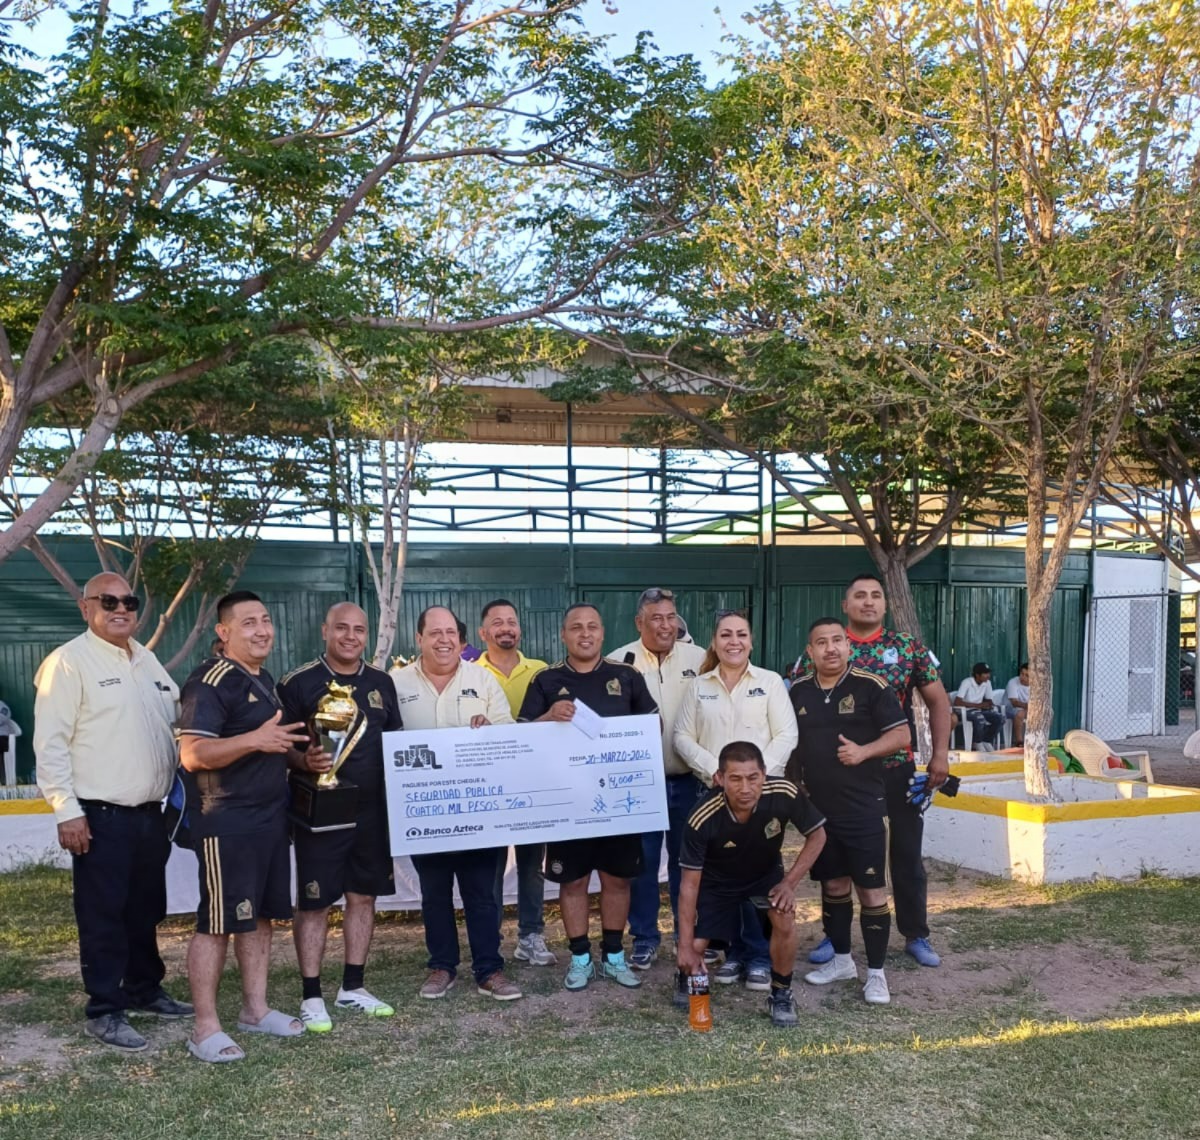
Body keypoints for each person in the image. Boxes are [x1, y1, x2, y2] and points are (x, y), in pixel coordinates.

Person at [33, 572, 191, 1053]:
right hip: (100, 816)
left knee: (146, 909)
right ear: (86, 607)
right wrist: (66, 811)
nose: (120, 608)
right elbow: (50, 745)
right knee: (103, 915)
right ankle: (105, 1008)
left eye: (129, 601)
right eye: (108, 601)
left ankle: (144, 989)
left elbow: (178, 720)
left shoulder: (147, 660)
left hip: (150, 815)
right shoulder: (68, 663)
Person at [177, 591, 315, 1062]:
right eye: (249, 622)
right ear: (224, 632)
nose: (262, 630)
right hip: (227, 820)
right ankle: (205, 1028)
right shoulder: (209, 681)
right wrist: (254, 739)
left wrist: (303, 759)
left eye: (266, 620)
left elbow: (272, 743)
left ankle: (255, 1010)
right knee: (217, 922)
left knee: (259, 917)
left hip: (271, 818)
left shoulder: (263, 678)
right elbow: (192, 753)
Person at [798, 574, 953, 969]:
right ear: (845, 605)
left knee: (906, 853)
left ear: (885, 604)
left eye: (876, 596)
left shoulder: (907, 647)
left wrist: (939, 755)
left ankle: (915, 933)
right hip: (840, 777)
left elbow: (939, 702)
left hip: (895, 770)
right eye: (860, 596)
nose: (868, 602)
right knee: (836, 857)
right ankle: (835, 939)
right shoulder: (825, 645)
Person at [276, 602, 404, 1032]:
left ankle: (353, 986)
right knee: (315, 901)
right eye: (342, 628)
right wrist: (303, 760)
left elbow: (395, 742)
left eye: (359, 630)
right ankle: (311, 994)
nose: (351, 637)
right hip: (321, 811)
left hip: (372, 810)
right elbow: (280, 745)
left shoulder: (382, 682)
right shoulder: (297, 683)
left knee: (363, 896)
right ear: (325, 630)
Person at [518, 603, 658, 991]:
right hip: (568, 802)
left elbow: (653, 726)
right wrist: (548, 717)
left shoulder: (626, 676)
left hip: (618, 802)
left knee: (617, 880)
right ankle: (580, 958)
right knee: (574, 882)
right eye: (576, 627)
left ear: (602, 633)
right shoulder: (546, 680)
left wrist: (630, 737)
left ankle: (613, 956)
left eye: (592, 626)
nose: (585, 633)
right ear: (563, 635)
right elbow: (521, 738)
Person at [390, 606, 522, 1001]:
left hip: (478, 808)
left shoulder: (482, 679)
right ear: (419, 639)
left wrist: (489, 730)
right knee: (434, 893)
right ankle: (442, 966)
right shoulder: (395, 683)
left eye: (450, 632)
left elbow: (509, 733)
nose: (443, 640)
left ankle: (489, 970)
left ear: (461, 640)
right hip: (424, 810)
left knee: (482, 893)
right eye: (435, 633)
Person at [787, 618, 911, 1005]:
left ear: (848, 646)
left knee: (871, 890)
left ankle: (876, 974)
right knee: (834, 886)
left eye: (837, 640)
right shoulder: (799, 691)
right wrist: (795, 783)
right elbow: (792, 744)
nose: (831, 648)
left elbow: (902, 735)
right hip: (820, 811)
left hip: (864, 807)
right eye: (821, 642)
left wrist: (863, 751)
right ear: (810, 651)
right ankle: (842, 961)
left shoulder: (871, 686)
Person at [674, 610, 798, 995]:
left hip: (758, 795)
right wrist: (718, 772)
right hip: (711, 793)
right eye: (725, 635)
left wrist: (755, 779)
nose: (734, 641)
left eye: (741, 634)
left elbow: (786, 734)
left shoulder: (770, 682)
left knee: (757, 877)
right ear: (714, 642)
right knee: (720, 882)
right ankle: (734, 952)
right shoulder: (699, 686)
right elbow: (682, 737)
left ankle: (759, 956)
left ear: (751, 641)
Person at [677, 741, 827, 1028]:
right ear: (719, 779)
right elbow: (689, 886)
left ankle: (781, 994)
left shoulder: (784, 792)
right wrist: (684, 945)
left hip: (764, 876)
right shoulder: (701, 817)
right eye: (735, 779)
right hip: (717, 882)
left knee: (784, 917)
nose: (745, 788)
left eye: (752, 777)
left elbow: (818, 835)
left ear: (764, 774)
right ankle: (688, 978)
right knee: (695, 945)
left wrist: (788, 884)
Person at [608, 587, 707, 970]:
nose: (665, 626)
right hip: (640, 784)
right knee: (643, 865)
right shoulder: (619, 662)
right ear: (639, 622)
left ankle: (690, 936)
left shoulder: (700, 658)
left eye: (670, 617)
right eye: (656, 618)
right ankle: (645, 938)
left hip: (689, 779)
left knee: (689, 864)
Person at [476, 598, 553, 967]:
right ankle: (488, 940)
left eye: (511, 621)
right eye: (497, 622)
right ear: (483, 632)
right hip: (488, 783)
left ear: (519, 629)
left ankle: (531, 936)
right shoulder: (469, 673)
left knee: (532, 864)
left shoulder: (541, 671)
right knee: (489, 866)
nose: (506, 628)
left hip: (532, 780)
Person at [954, 662, 1004, 752]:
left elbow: (989, 700)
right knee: (979, 718)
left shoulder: (987, 683)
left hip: (979, 710)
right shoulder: (967, 682)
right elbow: (957, 702)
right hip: (965, 711)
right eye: (985, 673)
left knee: (1000, 718)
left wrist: (989, 704)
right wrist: (977, 705)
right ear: (977, 675)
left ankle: (986, 740)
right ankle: (977, 742)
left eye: (988, 673)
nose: (988, 676)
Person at [1004, 663, 1030, 747]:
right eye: (1022, 674)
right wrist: (1030, 707)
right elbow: (1014, 702)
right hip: (1009, 709)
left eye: (1027, 675)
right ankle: (1019, 742)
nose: (1023, 677)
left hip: (1027, 709)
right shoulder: (1013, 682)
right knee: (1020, 713)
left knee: (1049, 712)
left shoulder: (1037, 685)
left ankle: (1040, 739)